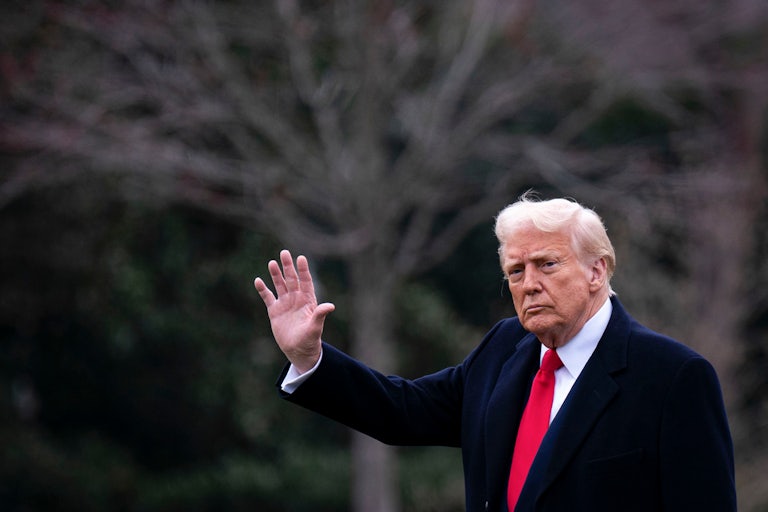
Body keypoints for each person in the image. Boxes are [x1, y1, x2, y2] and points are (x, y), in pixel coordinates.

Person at [253, 193, 736, 512]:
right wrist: (310, 357)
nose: (529, 285)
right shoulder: (506, 349)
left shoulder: (673, 377)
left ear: (597, 271)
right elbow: (402, 412)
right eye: (515, 271)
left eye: (547, 264)